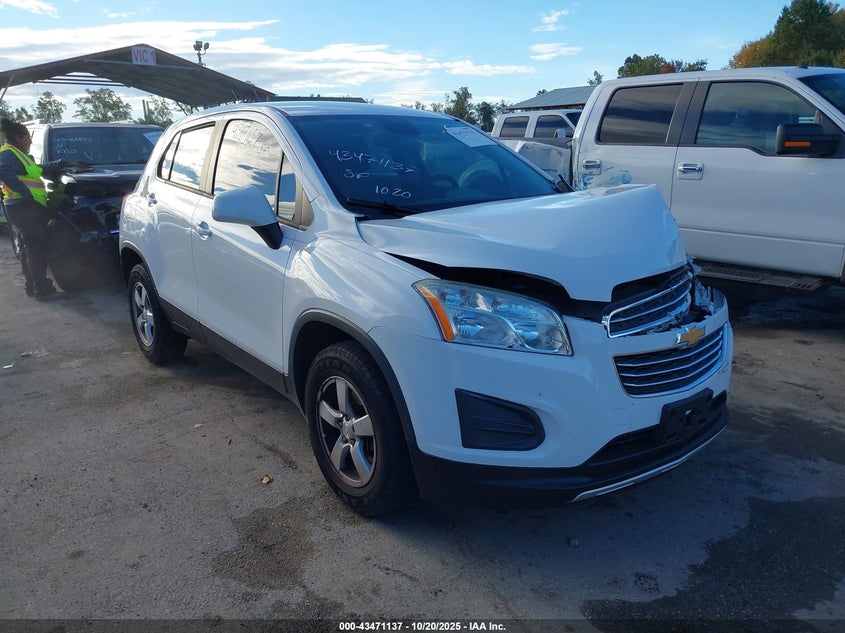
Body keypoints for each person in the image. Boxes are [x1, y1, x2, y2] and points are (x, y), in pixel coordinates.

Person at [0, 118, 66, 299]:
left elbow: (37, 170)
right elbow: (2, 171)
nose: (30, 140)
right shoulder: (8, 153)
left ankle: (33, 286)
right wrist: (25, 193)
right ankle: (42, 290)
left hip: (23, 206)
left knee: (28, 246)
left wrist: (59, 164)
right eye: (27, 137)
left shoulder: (18, 153)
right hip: (25, 206)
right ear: (18, 137)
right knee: (36, 248)